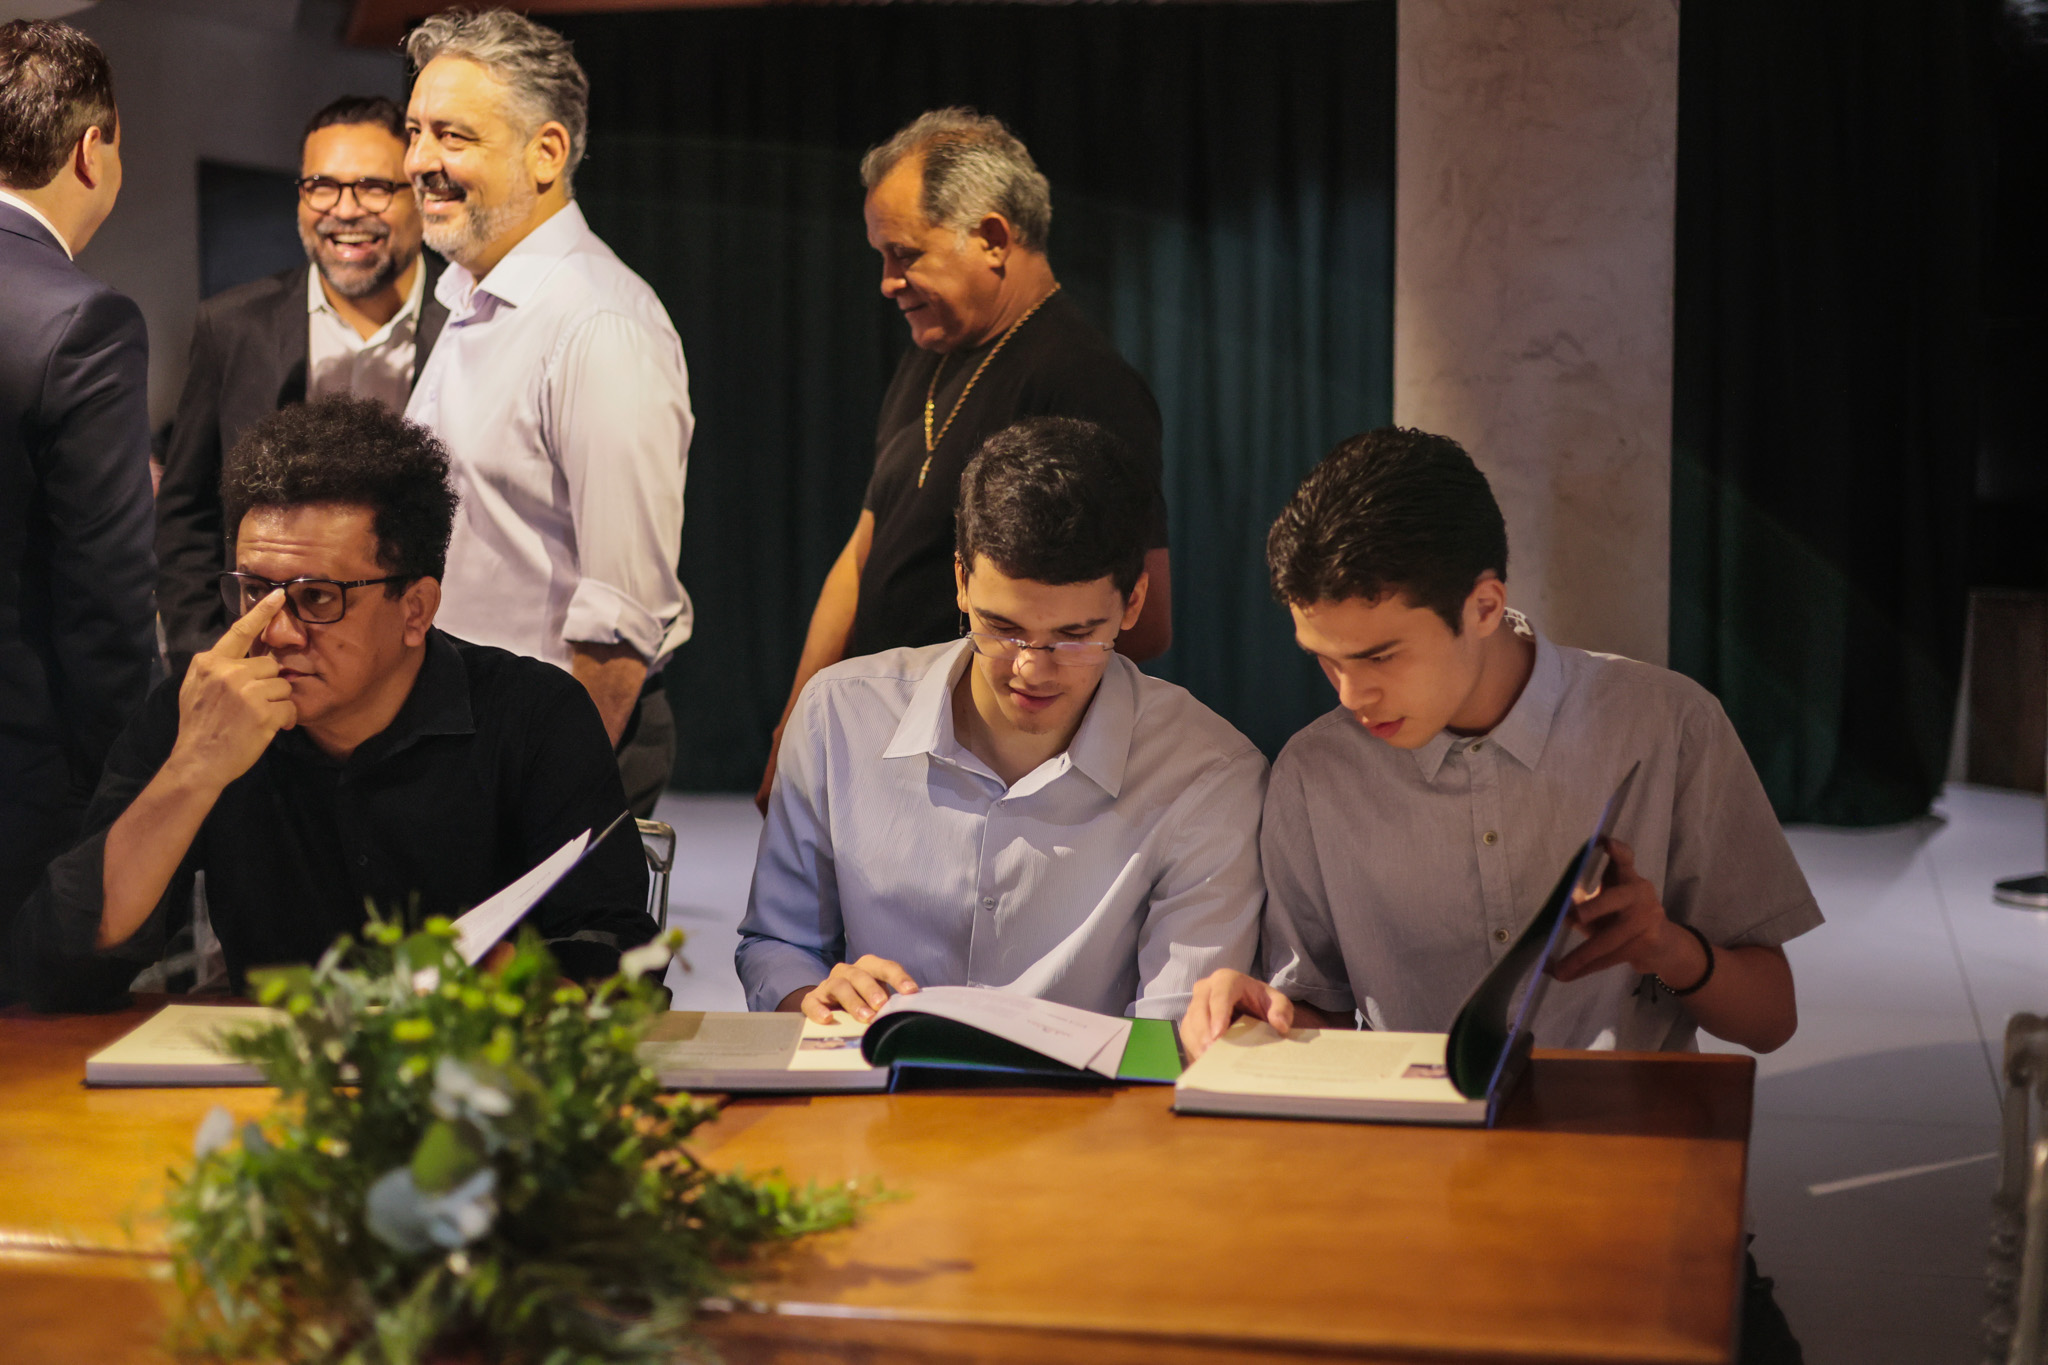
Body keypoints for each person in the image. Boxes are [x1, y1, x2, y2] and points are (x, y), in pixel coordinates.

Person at [1181, 426, 1823, 1058]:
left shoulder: (1668, 723)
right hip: (1411, 1122)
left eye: (1380, 657)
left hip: (1623, 1116)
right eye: (1326, 660)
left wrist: (1669, 948)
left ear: (1484, 607)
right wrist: (1259, 1015)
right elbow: (1322, 1019)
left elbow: (1771, 1023)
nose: (1351, 696)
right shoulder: (1315, 772)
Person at [11, 396, 656, 1014]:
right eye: (254, 591)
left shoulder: (533, 718)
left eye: (317, 598)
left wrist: (513, 983)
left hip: (480, 1070)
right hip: (272, 1073)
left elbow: (620, 959)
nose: (277, 631)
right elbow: (60, 968)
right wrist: (192, 772)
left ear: (416, 610)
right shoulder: (203, 715)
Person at [738, 417, 1263, 1023]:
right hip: (872, 1075)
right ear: (961, 582)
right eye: (1003, 628)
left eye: (1074, 636)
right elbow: (778, 944)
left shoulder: (1207, 775)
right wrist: (814, 997)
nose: (1031, 669)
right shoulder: (841, 716)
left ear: (1134, 603)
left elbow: (1173, 1033)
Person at [756, 108, 1173, 811]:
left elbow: (1144, 619)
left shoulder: (1084, 383)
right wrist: (797, 722)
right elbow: (862, 554)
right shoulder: (932, 357)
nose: (888, 282)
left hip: (972, 775)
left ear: (992, 238)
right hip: (876, 743)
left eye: (904, 254)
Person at [401, 9, 692, 819]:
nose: (418, 161)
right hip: (467, 741)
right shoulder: (471, 300)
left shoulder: (600, 323)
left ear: (548, 152)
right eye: (415, 132)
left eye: (452, 136)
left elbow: (620, 621)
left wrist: (542, 796)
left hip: (541, 759)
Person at [156, 94, 449, 671]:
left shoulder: (469, 321)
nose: (345, 209)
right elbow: (187, 511)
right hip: (271, 659)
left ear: (419, 198)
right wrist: (207, 653)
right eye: (322, 186)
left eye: (373, 187)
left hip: (426, 659)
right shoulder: (232, 327)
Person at [0, 20, 154, 1004]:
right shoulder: (82, 321)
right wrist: (133, 796)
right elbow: (106, 606)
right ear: (92, 150)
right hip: (25, 794)